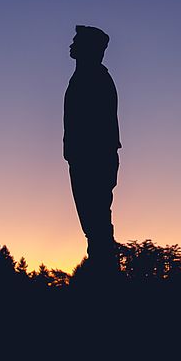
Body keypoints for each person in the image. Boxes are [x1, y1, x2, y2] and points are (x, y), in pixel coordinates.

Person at [64, 25, 121, 275]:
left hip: (93, 161)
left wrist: (82, 155)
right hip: (85, 160)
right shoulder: (86, 76)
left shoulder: (95, 78)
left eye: (77, 41)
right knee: (94, 226)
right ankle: (102, 273)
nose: (71, 44)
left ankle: (104, 278)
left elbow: (97, 130)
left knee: (96, 225)